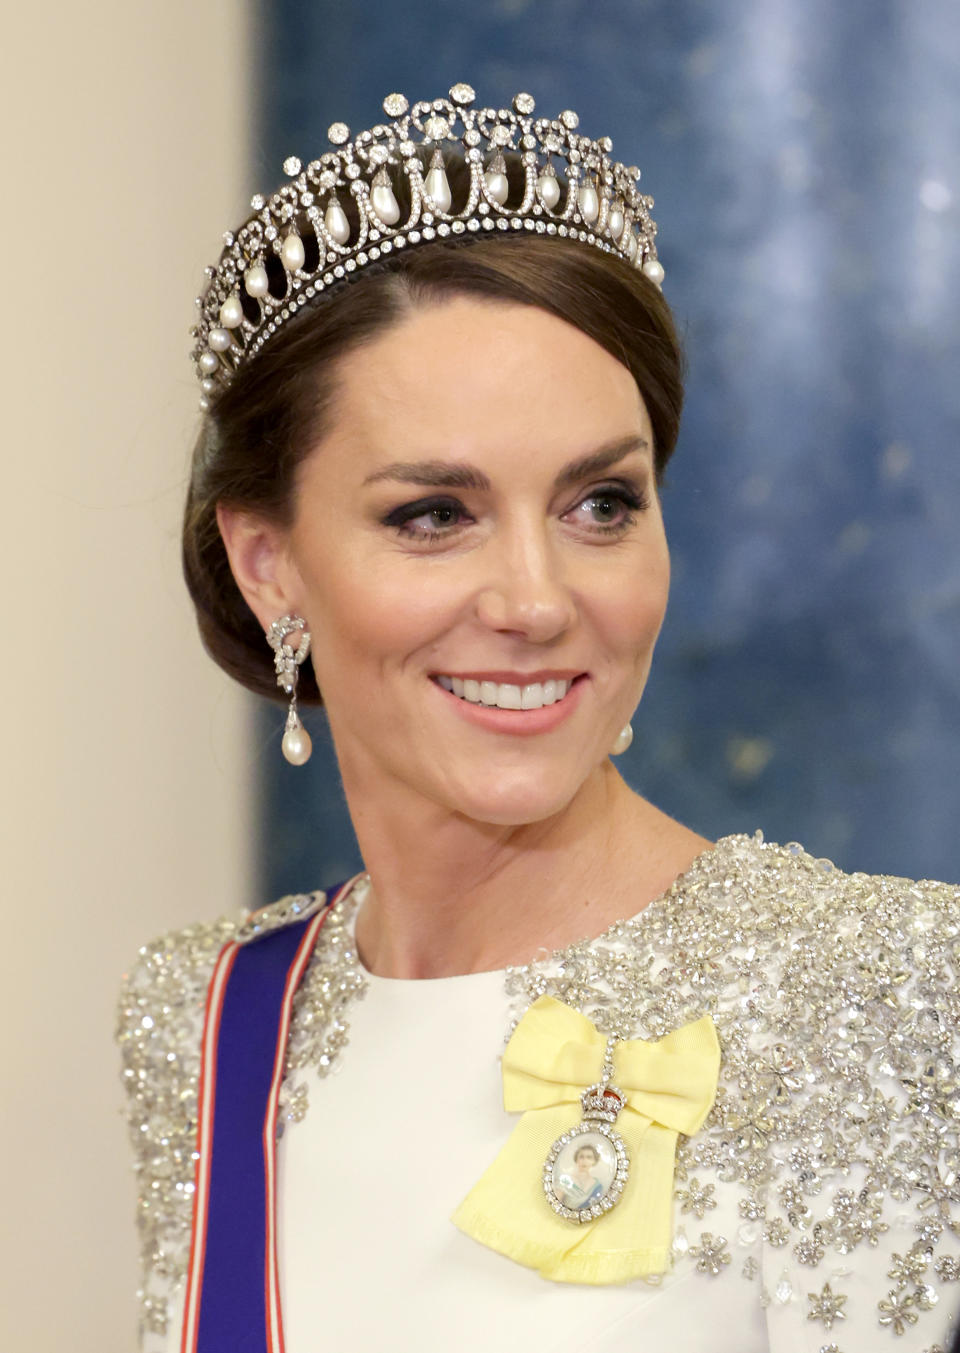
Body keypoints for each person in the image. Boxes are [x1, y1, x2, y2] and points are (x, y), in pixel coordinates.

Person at [117, 84, 960, 1352]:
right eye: (433, 514)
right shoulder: (206, 1014)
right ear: (267, 563)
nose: (536, 600)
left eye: (601, 504)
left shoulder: (895, 993)